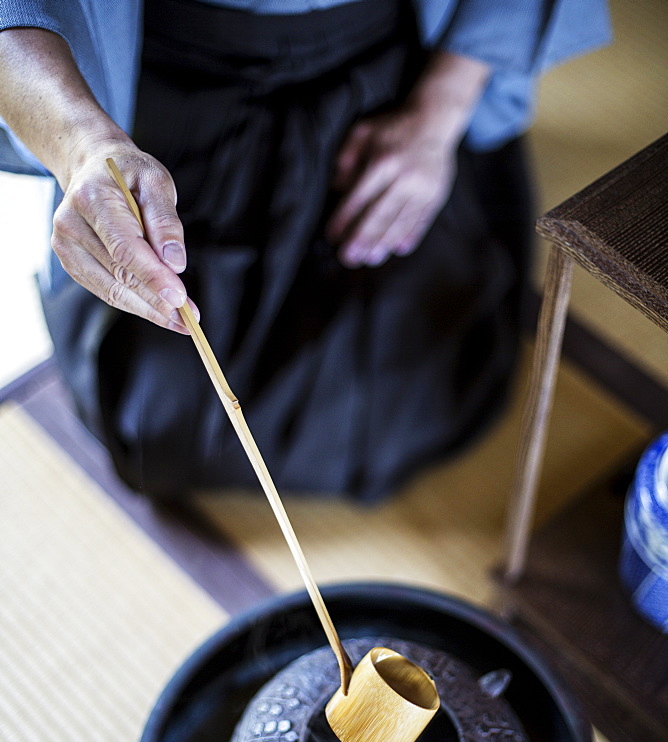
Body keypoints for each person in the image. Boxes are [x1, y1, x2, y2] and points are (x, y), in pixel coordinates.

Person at [0, 0, 611, 501]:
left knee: (418, 397)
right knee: (157, 419)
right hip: (163, 90)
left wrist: (441, 110)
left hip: (384, 74)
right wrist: (80, 143)